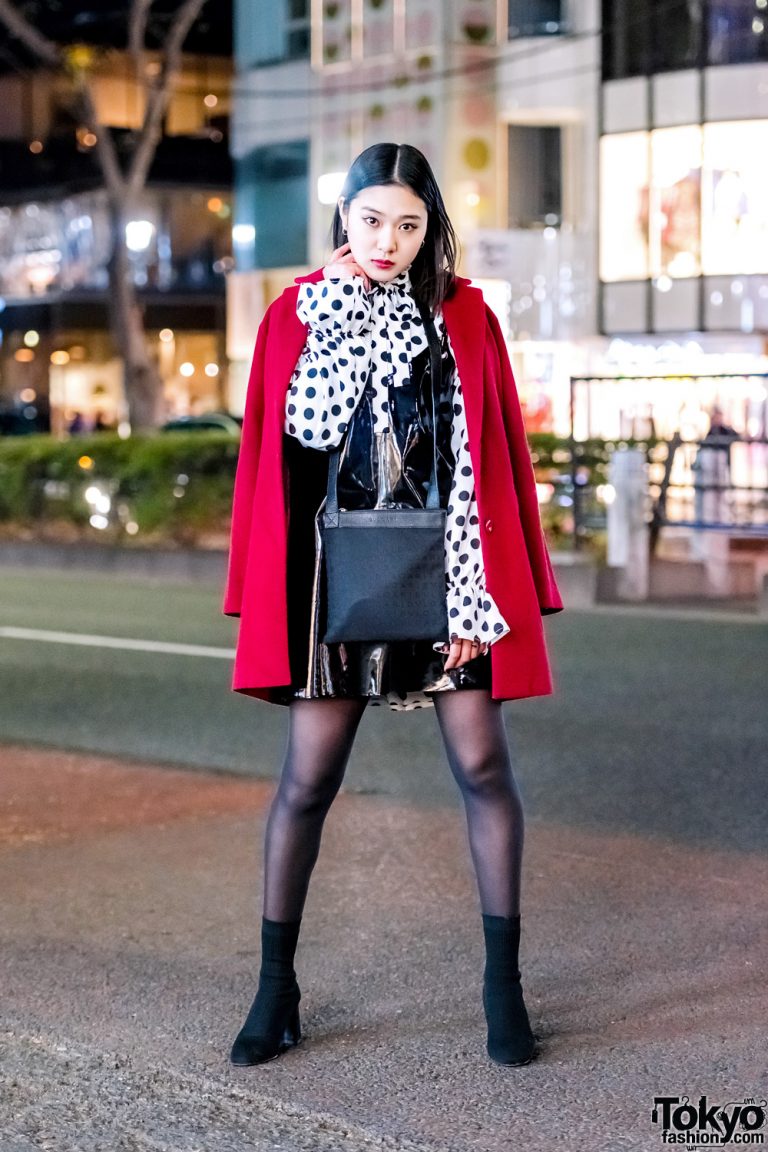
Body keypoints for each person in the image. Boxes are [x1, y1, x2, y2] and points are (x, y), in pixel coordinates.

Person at [224, 143, 563, 1069]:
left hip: (452, 574)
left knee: (484, 763)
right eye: (371, 220)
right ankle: (274, 989)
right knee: (308, 778)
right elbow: (299, 439)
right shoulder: (298, 311)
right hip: (337, 579)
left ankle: (504, 990)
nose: (388, 240)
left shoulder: (466, 316)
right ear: (344, 218)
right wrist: (336, 315)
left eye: (408, 224)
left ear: (430, 228)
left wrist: (483, 591)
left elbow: (488, 460)